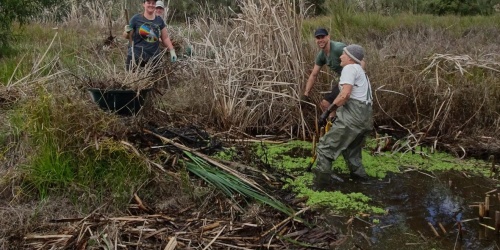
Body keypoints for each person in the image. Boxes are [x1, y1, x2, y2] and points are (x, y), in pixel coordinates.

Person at [312, 44, 373, 190]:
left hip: (353, 118)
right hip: (365, 119)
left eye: (343, 54)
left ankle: (319, 188)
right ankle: (362, 183)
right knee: (352, 153)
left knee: (325, 150)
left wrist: (327, 112)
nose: (340, 56)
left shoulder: (349, 68)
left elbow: (345, 94)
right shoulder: (360, 70)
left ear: (351, 58)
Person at [302, 28, 365, 114]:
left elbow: (360, 60)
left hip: (351, 81)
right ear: (315, 40)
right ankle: (332, 124)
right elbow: (313, 75)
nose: (320, 40)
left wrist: (358, 78)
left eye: (322, 37)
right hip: (342, 81)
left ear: (328, 37)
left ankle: (335, 123)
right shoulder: (321, 56)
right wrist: (306, 94)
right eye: (318, 38)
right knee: (326, 105)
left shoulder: (338, 48)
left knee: (326, 104)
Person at [123, 0, 176, 71]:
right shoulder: (136, 18)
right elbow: (127, 36)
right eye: (148, 3)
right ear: (144, 4)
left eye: (153, 3)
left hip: (153, 58)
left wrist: (172, 51)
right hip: (136, 57)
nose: (151, 5)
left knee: (155, 81)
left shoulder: (159, 20)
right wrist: (127, 31)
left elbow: (165, 38)